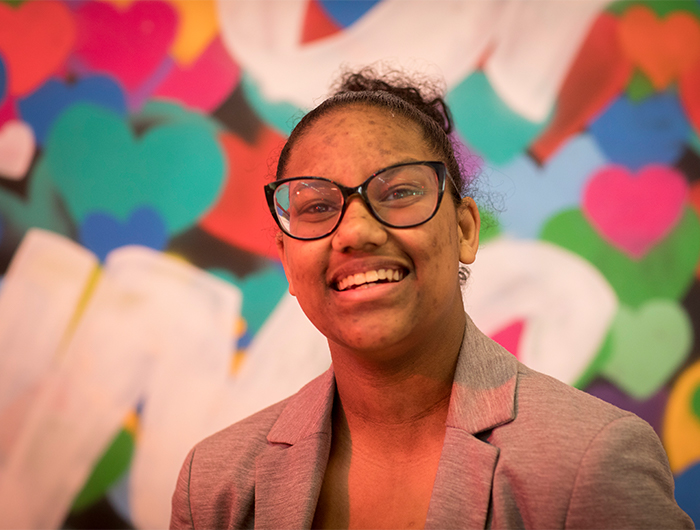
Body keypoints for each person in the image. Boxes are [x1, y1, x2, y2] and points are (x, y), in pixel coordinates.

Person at [170, 67, 693, 529]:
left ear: (465, 230)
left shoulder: (590, 461)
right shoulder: (216, 486)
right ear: (287, 258)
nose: (355, 231)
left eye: (398, 193)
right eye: (317, 206)